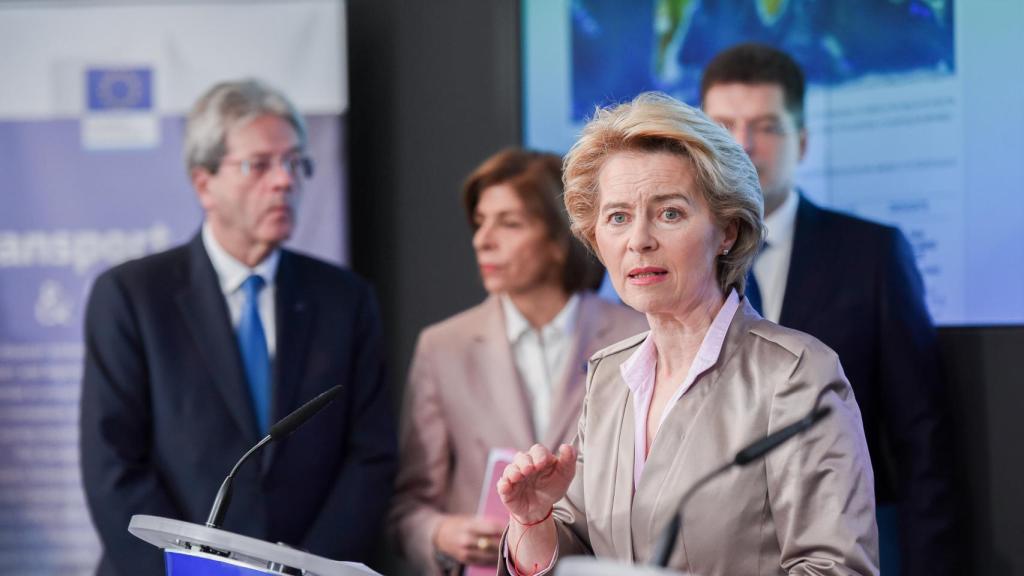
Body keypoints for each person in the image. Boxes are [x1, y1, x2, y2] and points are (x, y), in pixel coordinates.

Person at [496, 93, 879, 575]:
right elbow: (583, 552)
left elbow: (835, 568)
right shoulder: (610, 375)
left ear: (727, 232)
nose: (639, 240)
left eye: (670, 213)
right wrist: (533, 521)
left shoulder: (796, 376)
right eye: (617, 217)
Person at [79, 79, 397, 575]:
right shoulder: (132, 297)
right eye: (260, 165)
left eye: (295, 163)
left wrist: (301, 570)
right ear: (204, 182)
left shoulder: (345, 300)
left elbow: (369, 457)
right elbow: (112, 469)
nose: (285, 181)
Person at [700, 43, 954, 576]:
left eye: (766, 126)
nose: (743, 146)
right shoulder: (679, 264)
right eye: (724, 126)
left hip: (849, 543)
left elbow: (920, 437)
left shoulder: (873, 254)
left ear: (804, 141)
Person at [388, 149, 648, 575]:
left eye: (509, 223)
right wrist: (440, 533)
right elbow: (409, 507)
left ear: (559, 239)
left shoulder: (637, 336)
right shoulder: (443, 346)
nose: (483, 240)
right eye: (480, 223)